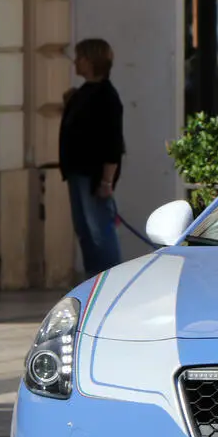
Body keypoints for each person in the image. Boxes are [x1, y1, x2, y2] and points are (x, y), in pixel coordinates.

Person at [59, 38, 125, 278]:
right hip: (77, 172)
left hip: (94, 175)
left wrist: (107, 181)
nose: (75, 62)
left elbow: (113, 141)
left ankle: (109, 276)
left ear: (91, 60)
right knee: (85, 229)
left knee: (99, 229)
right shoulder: (82, 94)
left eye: (80, 57)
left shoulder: (107, 96)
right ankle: (94, 277)